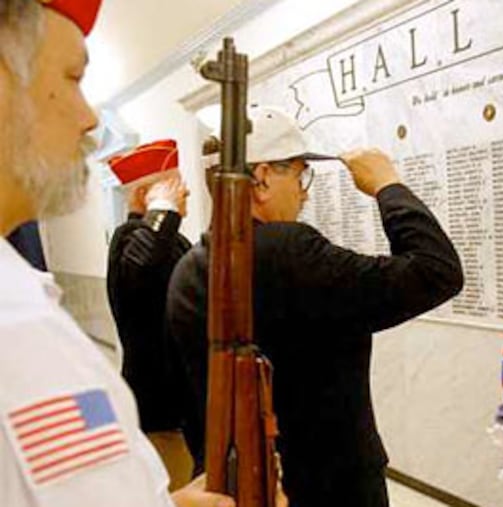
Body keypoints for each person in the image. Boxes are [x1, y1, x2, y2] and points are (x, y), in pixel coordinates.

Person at [167, 107, 464, 507]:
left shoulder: (187, 268)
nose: (305, 191)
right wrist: (388, 186)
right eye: (299, 173)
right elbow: (436, 271)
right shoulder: (287, 252)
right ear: (262, 179)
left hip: (230, 486)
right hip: (328, 489)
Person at [0, 1, 232, 506]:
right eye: (72, 76)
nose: (88, 118)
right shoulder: (16, 326)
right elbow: (143, 266)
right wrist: (162, 207)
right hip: (157, 383)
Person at [106, 139, 194, 490]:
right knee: (174, 486)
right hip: (160, 399)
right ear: (146, 197)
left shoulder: (172, 240)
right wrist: (163, 210)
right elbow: (142, 267)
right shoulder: (130, 237)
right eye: (174, 186)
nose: (185, 191)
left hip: (182, 394)